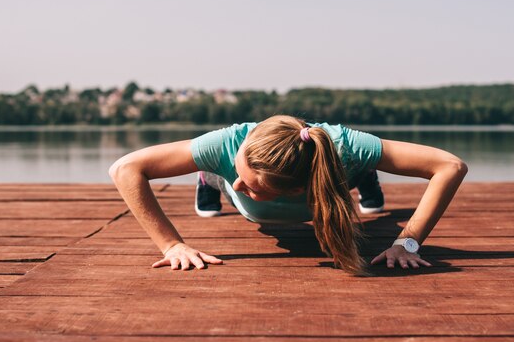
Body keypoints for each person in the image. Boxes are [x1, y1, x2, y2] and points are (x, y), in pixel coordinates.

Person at [108, 115, 468, 275]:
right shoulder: (227, 144)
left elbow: (450, 166)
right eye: (241, 172)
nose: (240, 184)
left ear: (298, 190)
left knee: (358, 167)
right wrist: (171, 245)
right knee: (221, 177)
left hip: (339, 176)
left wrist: (408, 243)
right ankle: (207, 177)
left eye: (252, 185)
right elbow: (125, 169)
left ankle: (367, 174)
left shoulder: (345, 148)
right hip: (231, 183)